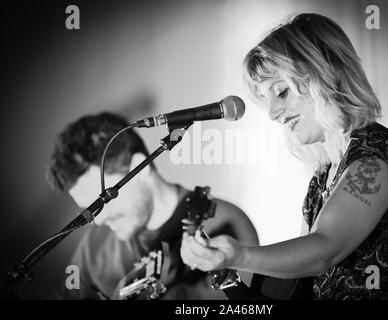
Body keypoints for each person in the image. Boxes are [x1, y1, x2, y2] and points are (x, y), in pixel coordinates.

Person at [180, 13, 388, 299]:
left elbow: (325, 249)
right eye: (266, 100)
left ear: (324, 77)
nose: (272, 113)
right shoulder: (321, 180)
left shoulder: (375, 161)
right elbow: (301, 284)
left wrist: (240, 255)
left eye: (281, 92)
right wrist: (224, 271)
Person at [47, 112, 258, 300]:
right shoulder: (92, 244)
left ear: (139, 168)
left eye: (102, 201)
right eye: (90, 208)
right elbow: (67, 291)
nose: (99, 219)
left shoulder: (224, 225)